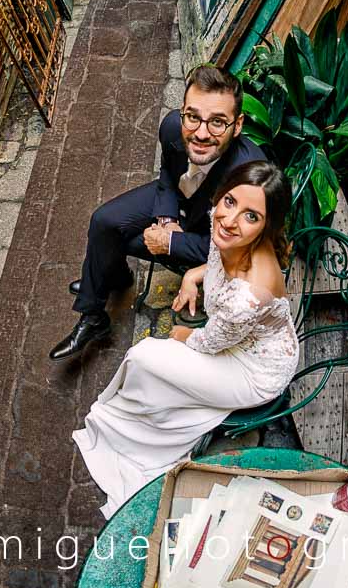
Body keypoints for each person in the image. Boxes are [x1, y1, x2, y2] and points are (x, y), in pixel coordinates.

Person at [72, 161, 299, 518]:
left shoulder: (248, 294)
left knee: (145, 354)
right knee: (154, 363)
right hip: (239, 338)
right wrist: (194, 275)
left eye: (251, 216)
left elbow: (210, 342)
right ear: (220, 196)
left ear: (266, 226)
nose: (230, 220)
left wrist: (183, 334)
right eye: (229, 202)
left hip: (255, 370)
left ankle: (140, 437)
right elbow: (218, 258)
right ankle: (145, 416)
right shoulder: (230, 232)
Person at [50, 64, 265, 361]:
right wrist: (167, 219)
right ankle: (95, 312)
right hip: (177, 201)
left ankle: (103, 276)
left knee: (119, 241)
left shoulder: (250, 178)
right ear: (183, 112)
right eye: (193, 117)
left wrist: (171, 241)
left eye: (217, 122)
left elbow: (236, 253)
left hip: (209, 235)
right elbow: (167, 173)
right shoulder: (173, 127)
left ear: (237, 125)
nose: (201, 133)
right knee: (104, 223)